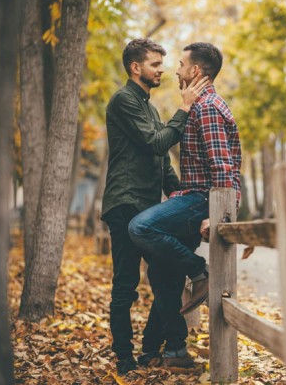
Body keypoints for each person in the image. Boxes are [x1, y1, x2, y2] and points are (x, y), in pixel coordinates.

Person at [128, 42, 242, 370]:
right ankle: (170, 353)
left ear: (195, 71)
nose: (176, 70)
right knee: (163, 274)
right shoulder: (199, 105)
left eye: (180, 64)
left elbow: (222, 167)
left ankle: (199, 271)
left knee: (141, 227)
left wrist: (216, 216)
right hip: (192, 197)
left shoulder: (207, 107)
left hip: (202, 200)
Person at [101, 38, 209, 376]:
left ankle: (154, 350)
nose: (161, 70)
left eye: (163, 64)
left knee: (166, 277)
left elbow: (161, 162)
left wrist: (184, 199)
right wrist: (185, 108)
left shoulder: (148, 108)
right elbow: (157, 141)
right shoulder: (123, 101)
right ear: (136, 68)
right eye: (155, 64)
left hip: (146, 209)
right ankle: (124, 358)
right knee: (126, 284)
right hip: (124, 203)